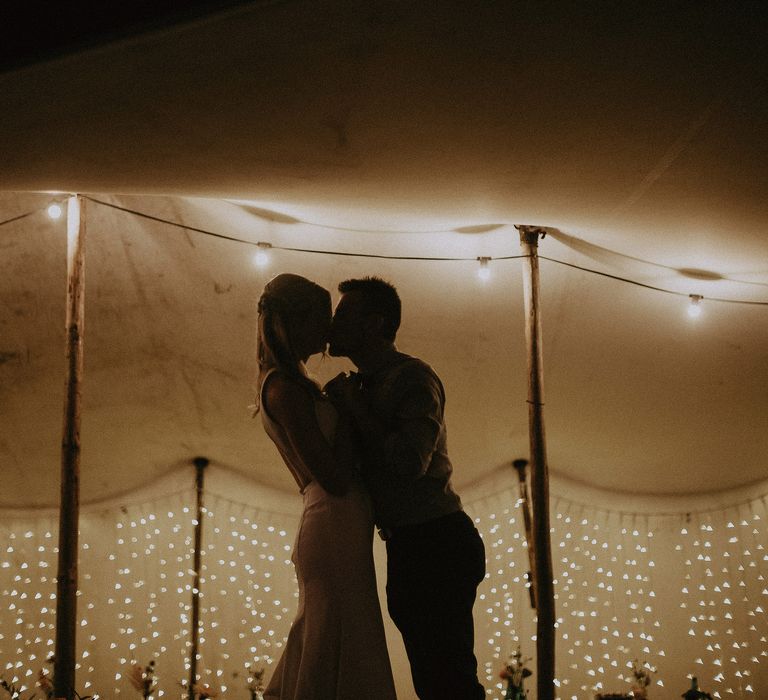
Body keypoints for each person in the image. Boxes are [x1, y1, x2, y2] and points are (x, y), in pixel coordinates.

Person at [326, 276, 486, 700]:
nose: (332, 323)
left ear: (374, 324)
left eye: (343, 314)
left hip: (437, 542)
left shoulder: (413, 379)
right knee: (433, 680)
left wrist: (355, 409)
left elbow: (409, 463)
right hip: (410, 544)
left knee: (449, 681)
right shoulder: (362, 385)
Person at [254, 273, 396, 700]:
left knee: (340, 630)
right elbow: (332, 476)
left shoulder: (295, 385)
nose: (327, 329)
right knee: (335, 632)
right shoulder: (282, 390)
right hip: (331, 519)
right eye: (320, 318)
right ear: (291, 323)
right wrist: (350, 411)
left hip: (340, 523)